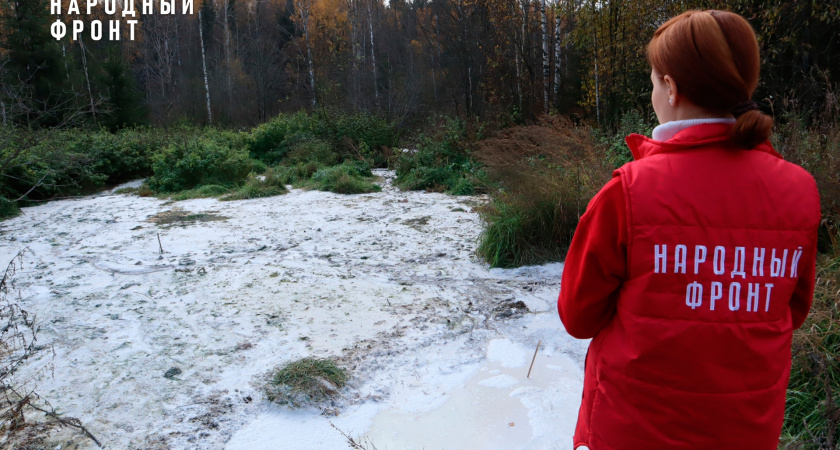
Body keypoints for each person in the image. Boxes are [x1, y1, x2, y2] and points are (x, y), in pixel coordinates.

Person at [557, 10, 821, 450]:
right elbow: (792, 310)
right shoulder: (800, 190)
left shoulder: (628, 191)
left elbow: (577, 316)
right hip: (746, 432)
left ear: (672, 87)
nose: (653, 91)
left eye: (654, 80)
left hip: (632, 431)